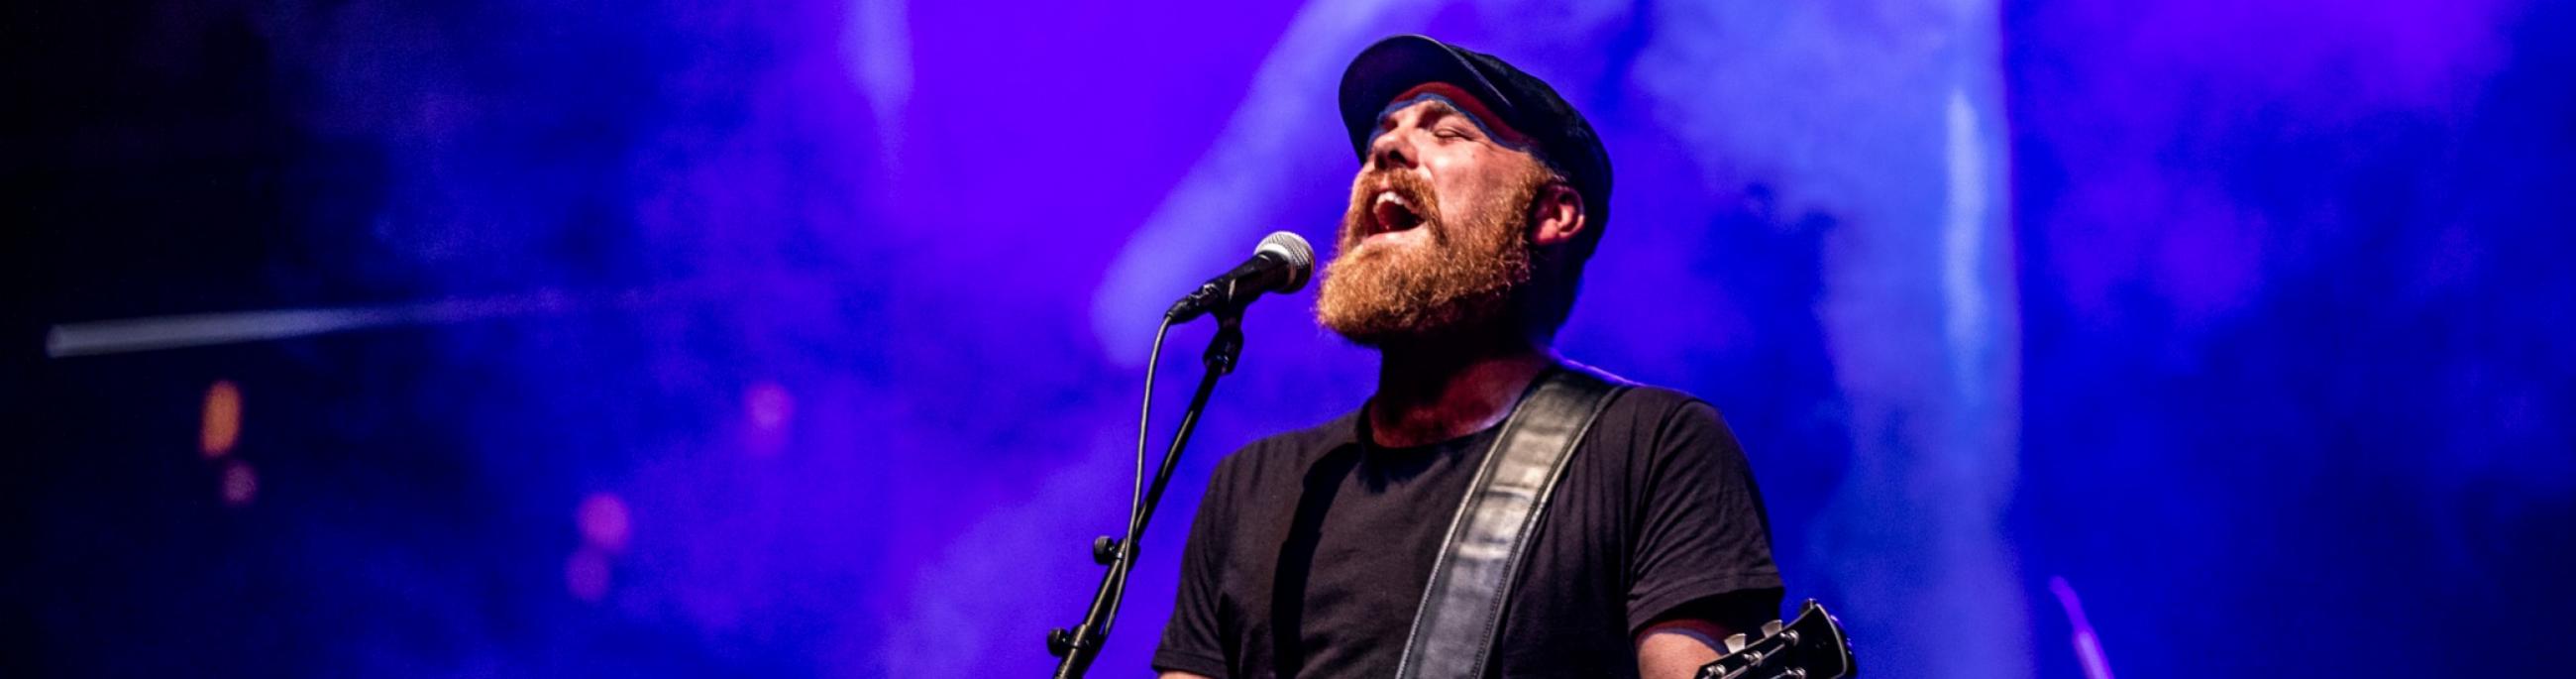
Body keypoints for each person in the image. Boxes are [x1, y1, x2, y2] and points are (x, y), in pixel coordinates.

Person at [1151, 36, 1784, 679]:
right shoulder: (1254, 483)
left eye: (1448, 131)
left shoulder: (1651, 446)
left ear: (1552, 213)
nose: (1385, 150)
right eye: (1382, 133)